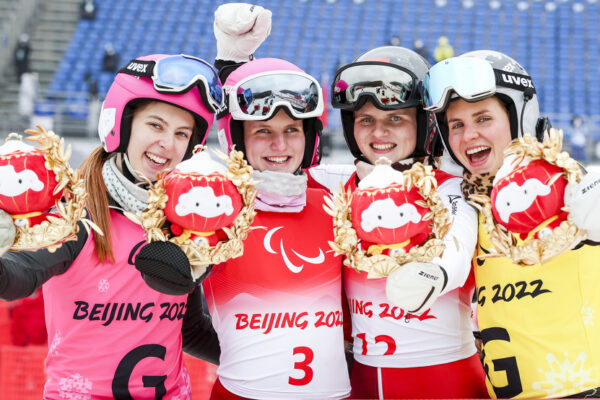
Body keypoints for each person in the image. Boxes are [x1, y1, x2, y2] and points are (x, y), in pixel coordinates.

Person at [0, 53, 222, 399]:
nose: (168, 144)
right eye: (156, 125)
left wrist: (267, 359)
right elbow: (19, 278)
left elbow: (190, 330)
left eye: (182, 133)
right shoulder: (75, 210)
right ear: (122, 124)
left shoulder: (181, 223)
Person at [423, 50, 600, 399]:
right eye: (456, 125)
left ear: (518, 117)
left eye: (483, 118)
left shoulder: (562, 185)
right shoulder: (471, 207)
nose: (468, 134)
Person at [325, 45, 486, 399]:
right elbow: (263, 160)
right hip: (365, 381)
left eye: (395, 118)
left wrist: (437, 273)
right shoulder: (339, 186)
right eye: (365, 120)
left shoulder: (450, 189)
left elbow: (457, 246)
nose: (378, 132)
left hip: (446, 381)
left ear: (425, 124)